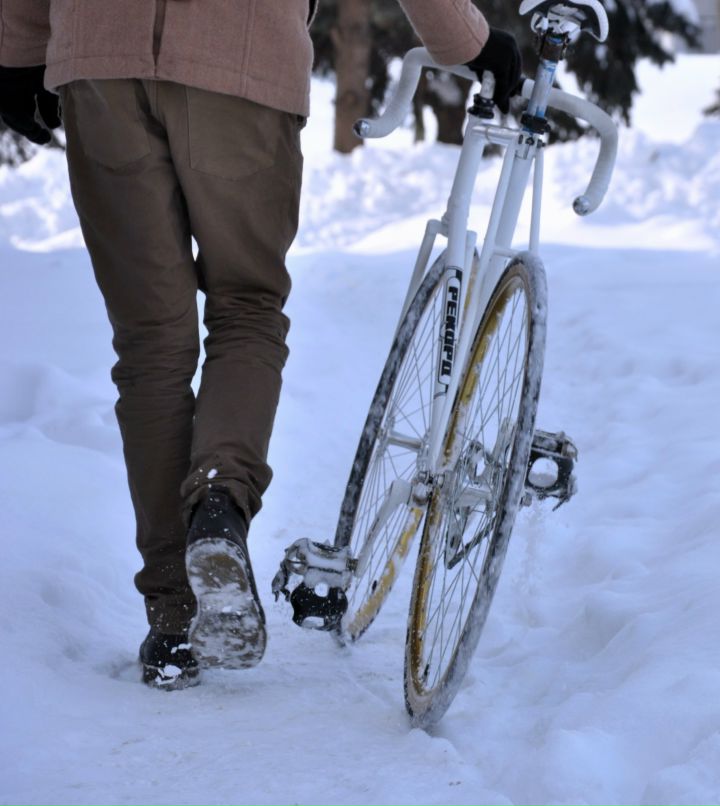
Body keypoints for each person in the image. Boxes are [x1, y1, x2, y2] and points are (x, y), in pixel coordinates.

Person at [0, 0, 521, 690]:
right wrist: (468, 41)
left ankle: (173, 618)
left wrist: (17, 51)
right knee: (245, 307)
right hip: (239, 52)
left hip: (101, 56)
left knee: (152, 342)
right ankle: (219, 502)